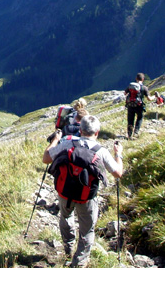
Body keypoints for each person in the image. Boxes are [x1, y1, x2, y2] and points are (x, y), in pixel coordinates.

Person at [43, 115, 123, 268]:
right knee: (87, 230)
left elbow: (46, 158)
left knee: (66, 217)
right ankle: (78, 263)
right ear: (97, 133)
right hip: (86, 197)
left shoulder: (67, 143)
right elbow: (118, 173)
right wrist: (118, 153)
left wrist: (55, 140)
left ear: (80, 130)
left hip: (65, 192)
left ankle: (68, 247)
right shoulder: (101, 151)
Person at [124, 73, 155, 139]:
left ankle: (129, 135)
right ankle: (136, 132)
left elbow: (125, 93)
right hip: (139, 106)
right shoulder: (144, 88)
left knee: (130, 119)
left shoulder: (130, 85)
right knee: (140, 118)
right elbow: (149, 98)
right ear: (143, 79)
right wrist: (154, 97)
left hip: (130, 105)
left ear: (136, 78)